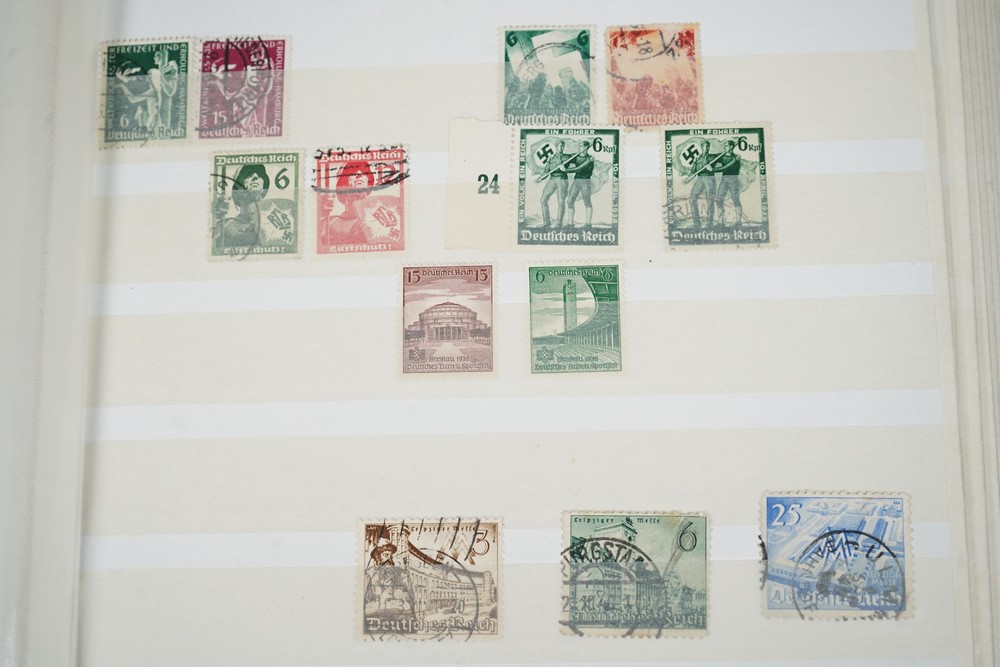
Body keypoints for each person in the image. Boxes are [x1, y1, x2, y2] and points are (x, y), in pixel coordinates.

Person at [564, 141, 595, 228]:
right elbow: (566, 157)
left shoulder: (590, 159)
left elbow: (578, 169)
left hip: (586, 181)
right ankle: (570, 223)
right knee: (570, 200)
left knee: (587, 201)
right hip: (577, 180)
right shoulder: (576, 156)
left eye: (581, 146)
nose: (579, 148)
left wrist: (565, 170)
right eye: (579, 146)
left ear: (586, 147)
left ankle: (588, 224)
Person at [539, 140, 569, 227]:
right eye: (560, 146)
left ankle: (559, 223)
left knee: (561, 201)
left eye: (563, 146)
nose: (562, 148)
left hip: (562, 179)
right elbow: (546, 171)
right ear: (556, 147)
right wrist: (541, 177)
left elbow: (579, 157)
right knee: (543, 199)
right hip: (552, 178)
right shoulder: (551, 158)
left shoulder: (567, 157)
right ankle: (546, 222)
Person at [688, 139, 716, 229]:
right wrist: (689, 177)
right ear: (702, 147)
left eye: (708, 146)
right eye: (705, 146)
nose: (707, 148)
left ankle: (709, 223)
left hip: (709, 178)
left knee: (710, 200)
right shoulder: (698, 158)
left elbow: (726, 157)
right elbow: (693, 171)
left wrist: (736, 156)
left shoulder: (713, 157)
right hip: (700, 179)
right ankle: (696, 223)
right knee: (692, 198)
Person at [714, 139, 743, 225]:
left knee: (736, 200)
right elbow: (712, 158)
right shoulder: (722, 156)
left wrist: (712, 169)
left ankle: (738, 222)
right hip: (724, 180)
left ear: (731, 147)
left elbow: (725, 168)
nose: (725, 147)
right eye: (725, 146)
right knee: (719, 200)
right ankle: (720, 222)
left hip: (733, 180)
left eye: (726, 146)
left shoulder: (736, 158)